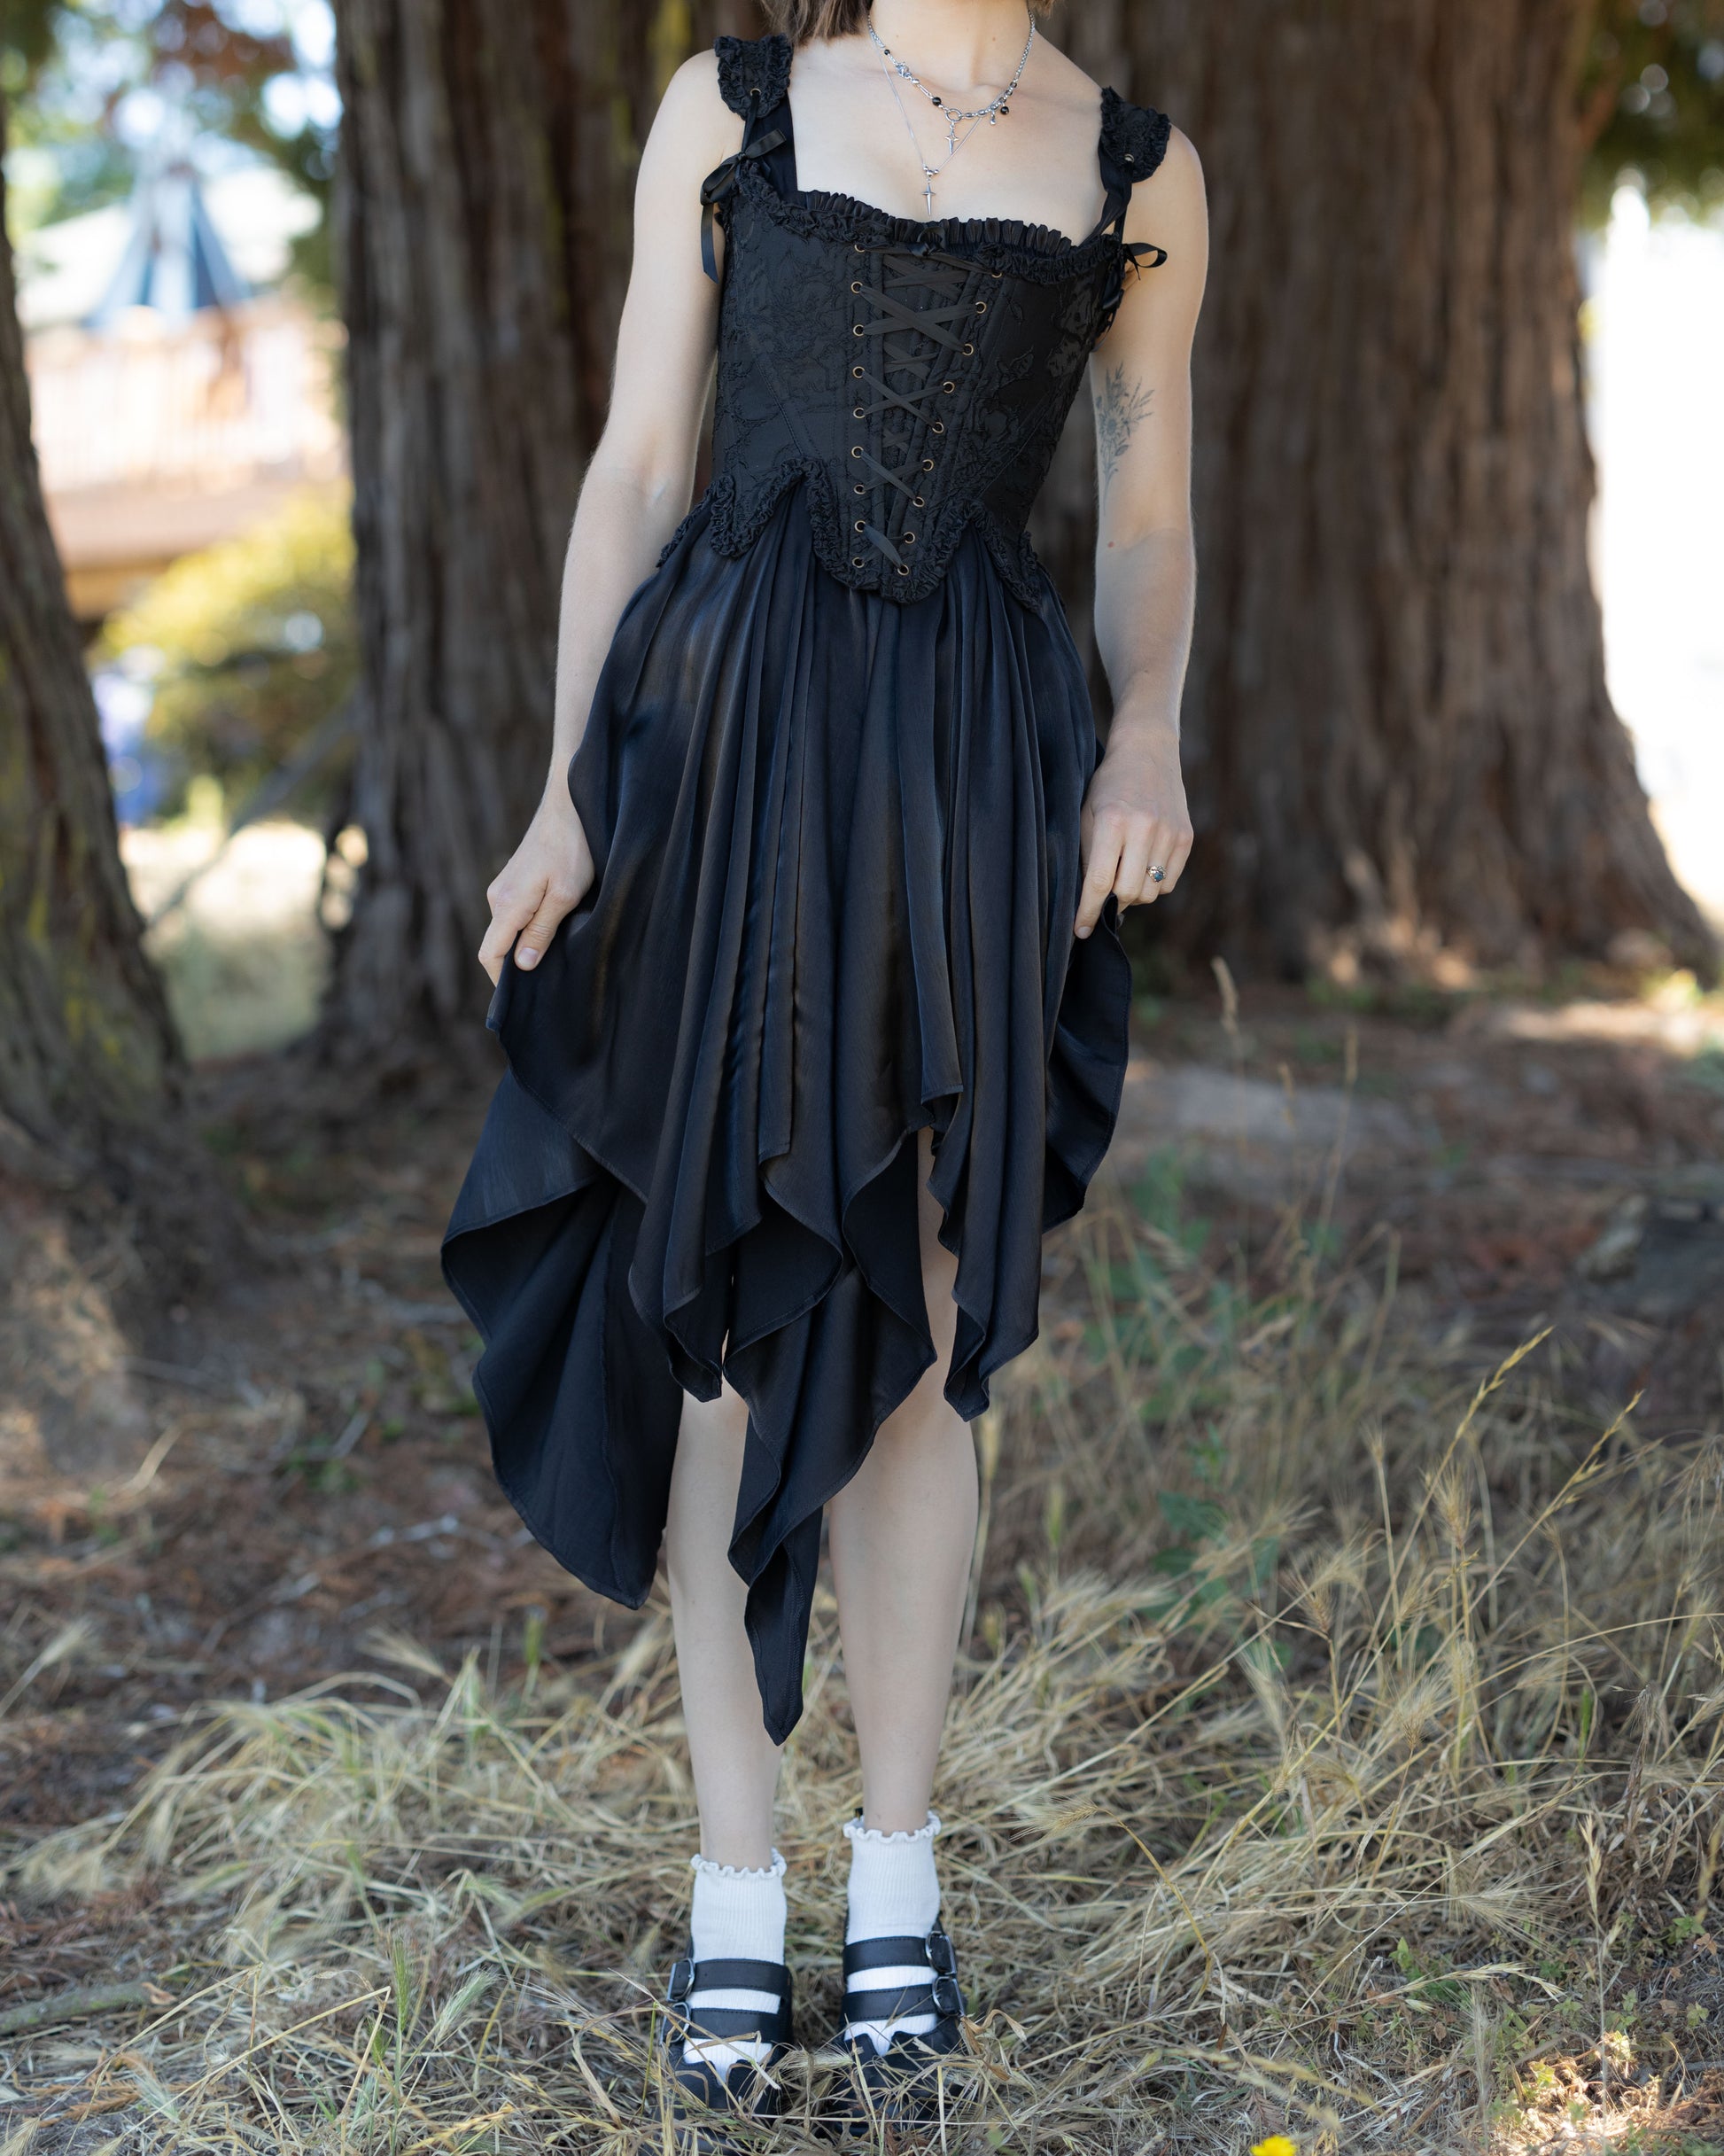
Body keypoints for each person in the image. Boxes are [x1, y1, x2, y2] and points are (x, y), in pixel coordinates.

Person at [441, 0, 1207, 2137]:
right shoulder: (735, 103)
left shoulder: (1139, 167)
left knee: (925, 1304)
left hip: (970, 760)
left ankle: (896, 1870)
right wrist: (570, 791)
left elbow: (1146, 513)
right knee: (716, 1302)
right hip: (722, 739)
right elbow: (638, 468)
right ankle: (733, 1884)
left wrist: (1144, 733)